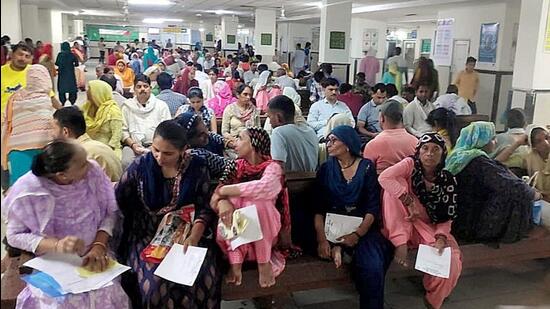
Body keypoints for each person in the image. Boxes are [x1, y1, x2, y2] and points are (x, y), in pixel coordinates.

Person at [4, 140, 130, 308]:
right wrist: (56, 245)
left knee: (107, 294)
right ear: (62, 175)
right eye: (83, 164)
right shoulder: (28, 190)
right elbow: (14, 236)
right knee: (58, 300)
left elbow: (109, 212)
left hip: (95, 252)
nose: (91, 166)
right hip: (52, 260)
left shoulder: (93, 173)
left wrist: (99, 245)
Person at [115, 120, 221, 308]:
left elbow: (205, 206)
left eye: (168, 153)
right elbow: (119, 199)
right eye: (156, 149)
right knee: (156, 286)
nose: (159, 158)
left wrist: (194, 236)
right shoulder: (140, 167)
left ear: (183, 150)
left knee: (203, 278)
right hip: (147, 235)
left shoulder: (197, 167)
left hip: (187, 234)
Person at [379, 133, 462, 309]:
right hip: (403, 223)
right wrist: (407, 200)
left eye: (435, 149)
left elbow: (447, 215)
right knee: (395, 186)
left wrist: (440, 238)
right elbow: (384, 177)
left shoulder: (447, 180)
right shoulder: (410, 165)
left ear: (443, 154)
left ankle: (433, 300)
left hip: (430, 228)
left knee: (452, 260)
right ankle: (400, 242)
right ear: (418, 151)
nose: (429, 153)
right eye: (425, 148)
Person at [314, 125, 393, 309]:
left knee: (373, 265)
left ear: (348, 144)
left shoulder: (366, 168)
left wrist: (357, 235)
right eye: (328, 140)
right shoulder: (326, 169)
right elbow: (317, 208)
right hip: (331, 228)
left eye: (334, 140)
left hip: (362, 228)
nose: (329, 144)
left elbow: (372, 208)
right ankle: (338, 248)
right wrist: (321, 239)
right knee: (326, 246)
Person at [213, 127, 290, 288]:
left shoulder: (273, 168)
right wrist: (223, 201)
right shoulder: (234, 166)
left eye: (240, 138)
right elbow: (215, 198)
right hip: (237, 237)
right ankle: (236, 261)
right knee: (237, 204)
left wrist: (226, 191)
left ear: (253, 144)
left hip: (267, 236)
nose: (235, 142)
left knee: (258, 203)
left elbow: (264, 188)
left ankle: (263, 262)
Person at [445, 122, 538, 243]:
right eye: (492, 138)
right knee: (519, 194)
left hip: (457, 218)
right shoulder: (478, 162)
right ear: (481, 141)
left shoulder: (457, 156)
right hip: (473, 223)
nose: (496, 142)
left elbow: (495, 168)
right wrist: (534, 194)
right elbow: (509, 186)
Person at [1, 65, 55, 186]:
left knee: (20, 188)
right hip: (42, 152)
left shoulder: (15, 97)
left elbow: (8, 121)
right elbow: (48, 126)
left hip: (16, 148)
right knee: (41, 189)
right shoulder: (44, 99)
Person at [52, 107, 122, 182]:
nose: (51, 134)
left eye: (53, 128)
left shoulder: (81, 156)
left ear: (65, 131)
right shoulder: (97, 146)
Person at [120, 75, 172, 169]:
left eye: (145, 86)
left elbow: (167, 130)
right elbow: (124, 131)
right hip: (133, 146)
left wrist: (154, 146)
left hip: (157, 146)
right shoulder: (127, 107)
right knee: (126, 161)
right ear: (134, 89)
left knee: (156, 163)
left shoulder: (161, 106)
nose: (142, 89)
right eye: (139, 87)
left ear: (150, 88)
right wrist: (133, 145)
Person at [363, 100, 418, 175]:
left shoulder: (373, 145)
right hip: (409, 185)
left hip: (381, 185)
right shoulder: (415, 142)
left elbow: (366, 174)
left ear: (382, 118)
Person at [267, 95, 318, 172]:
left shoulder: (278, 132)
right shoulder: (310, 131)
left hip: (290, 182)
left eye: (269, 117)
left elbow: (278, 167)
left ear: (279, 117)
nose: (270, 122)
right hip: (312, 180)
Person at [82, 80, 124, 158]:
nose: (87, 92)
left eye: (90, 89)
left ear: (98, 93)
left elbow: (117, 136)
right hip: (89, 145)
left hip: (108, 148)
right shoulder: (87, 107)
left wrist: (105, 150)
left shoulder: (113, 111)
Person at [491, 108, 529, 176]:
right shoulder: (531, 138)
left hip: (504, 176)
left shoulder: (500, 138)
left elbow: (491, 161)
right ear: (524, 121)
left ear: (506, 121)